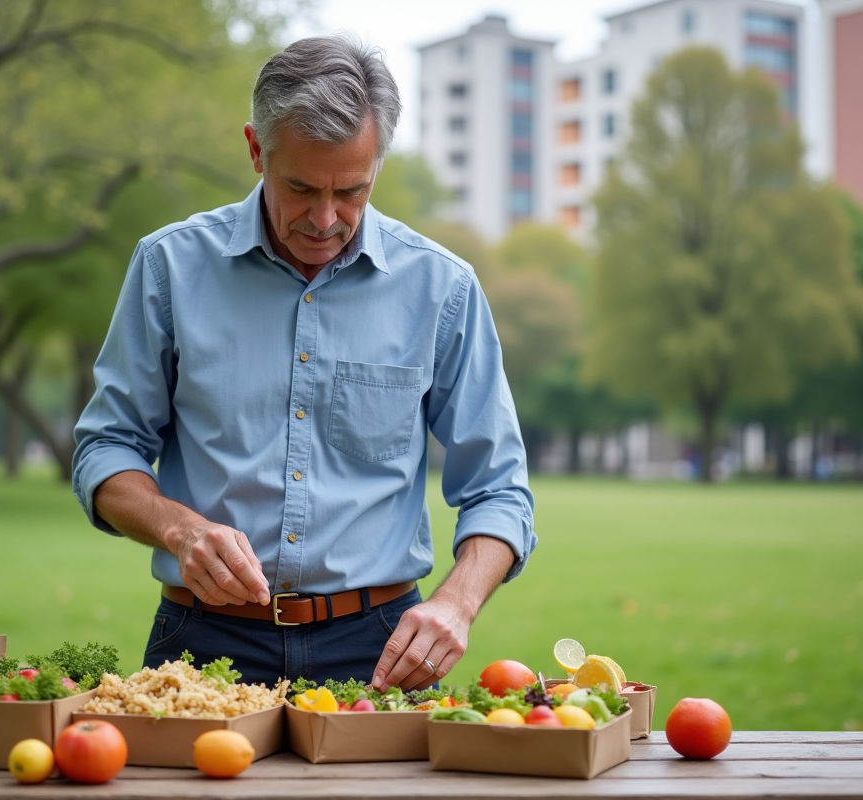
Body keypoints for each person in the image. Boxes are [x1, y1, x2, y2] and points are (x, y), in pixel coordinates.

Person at [72, 35, 535, 692]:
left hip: (382, 648)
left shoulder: (443, 289)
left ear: (377, 163)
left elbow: (499, 489)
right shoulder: (167, 268)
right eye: (300, 187)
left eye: (352, 190)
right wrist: (180, 529)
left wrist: (457, 601)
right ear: (256, 150)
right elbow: (105, 452)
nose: (325, 218)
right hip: (203, 640)